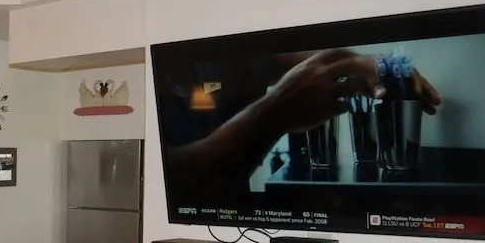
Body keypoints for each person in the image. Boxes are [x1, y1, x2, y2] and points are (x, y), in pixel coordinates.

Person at [162, 48, 441, 205]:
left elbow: (276, 61)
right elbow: (177, 181)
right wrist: (275, 113)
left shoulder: (211, 61)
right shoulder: (161, 82)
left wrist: (359, 63)